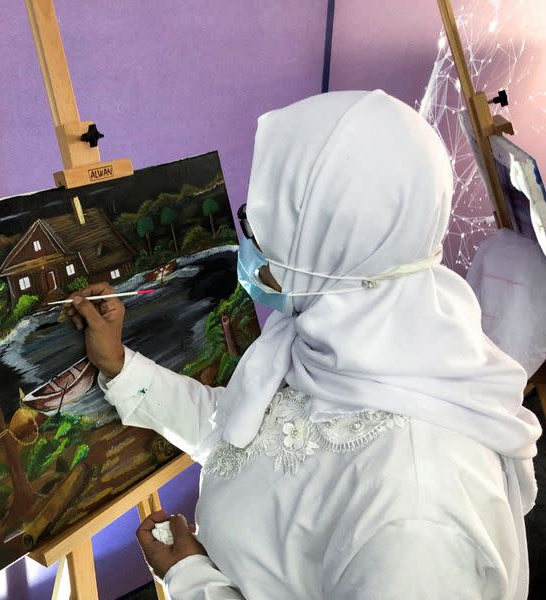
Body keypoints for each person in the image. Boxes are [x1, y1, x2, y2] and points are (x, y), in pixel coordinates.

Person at [65, 90, 541, 599]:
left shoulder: (416, 513)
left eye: (264, 223)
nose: (248, 242)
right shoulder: (336, 340)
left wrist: (194, 581)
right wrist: (121, 367)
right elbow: (239, 431)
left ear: (332, 239)